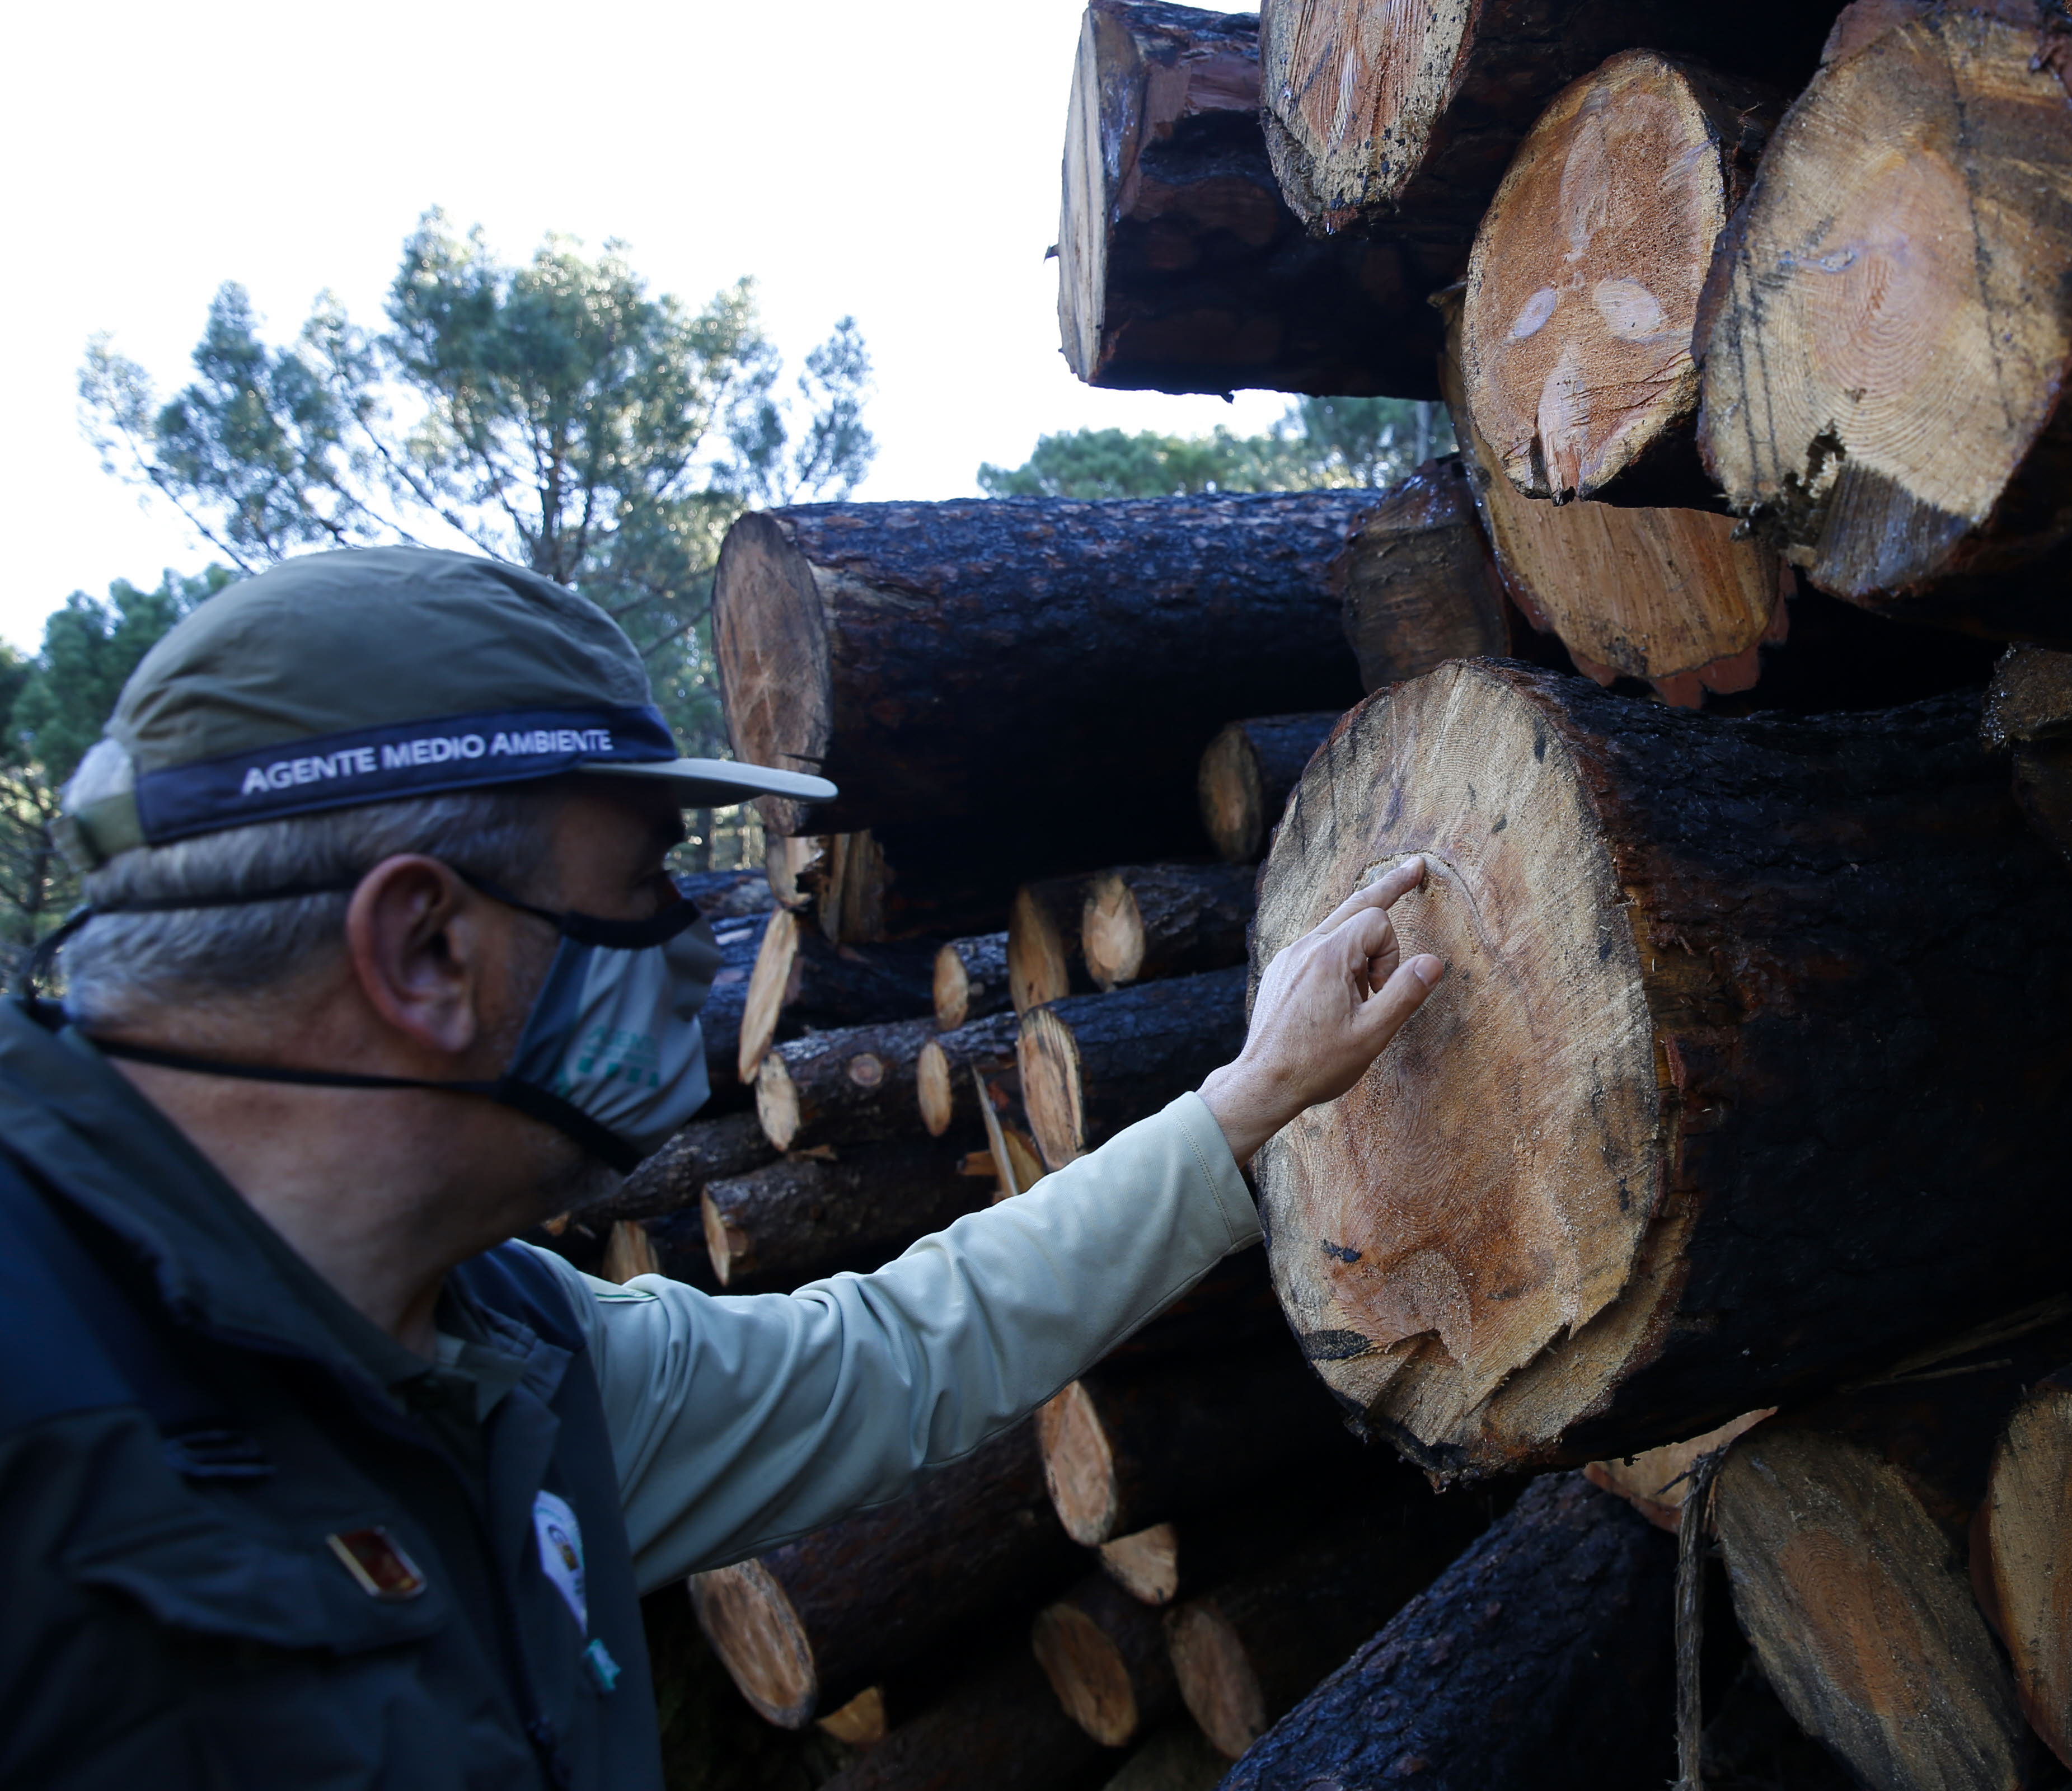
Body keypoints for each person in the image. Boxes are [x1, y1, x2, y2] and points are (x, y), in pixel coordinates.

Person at [0, 546, 1444, 1789]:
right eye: (640, 895)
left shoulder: (512, 1353)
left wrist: (1247, 1100)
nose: (702, 954)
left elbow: (891, 1354)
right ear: (426, 951)